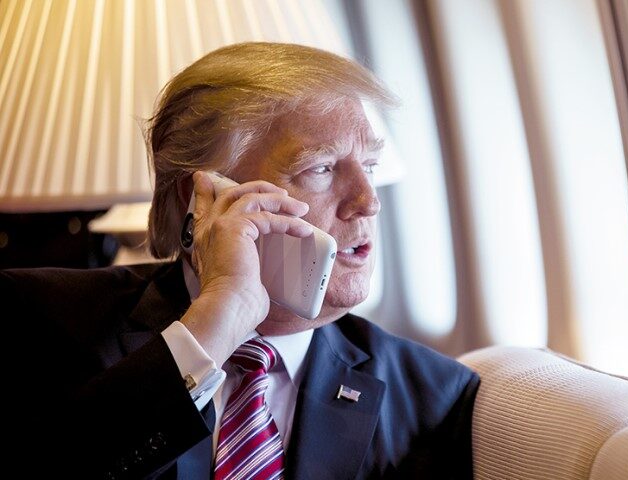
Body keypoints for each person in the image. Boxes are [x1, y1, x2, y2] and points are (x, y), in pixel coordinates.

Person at [1, 42, 479, 479]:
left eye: (370, 167)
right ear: (203, 199)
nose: (368, 200)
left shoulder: (434, 394)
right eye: (321, 168)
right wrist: (217, 321)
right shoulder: (39, 315)